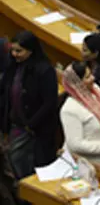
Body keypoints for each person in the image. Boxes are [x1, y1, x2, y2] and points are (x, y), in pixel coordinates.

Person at [0, 31, 58, 180]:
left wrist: (30, 124)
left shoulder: (44, 70)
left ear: (31, 50)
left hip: (37, 129)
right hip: (16, 126)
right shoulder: (12, 67)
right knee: (15, 163)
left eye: (19, 51)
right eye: (12, 50)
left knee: (33, 169)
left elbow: (49, 102)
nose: (14, 54)